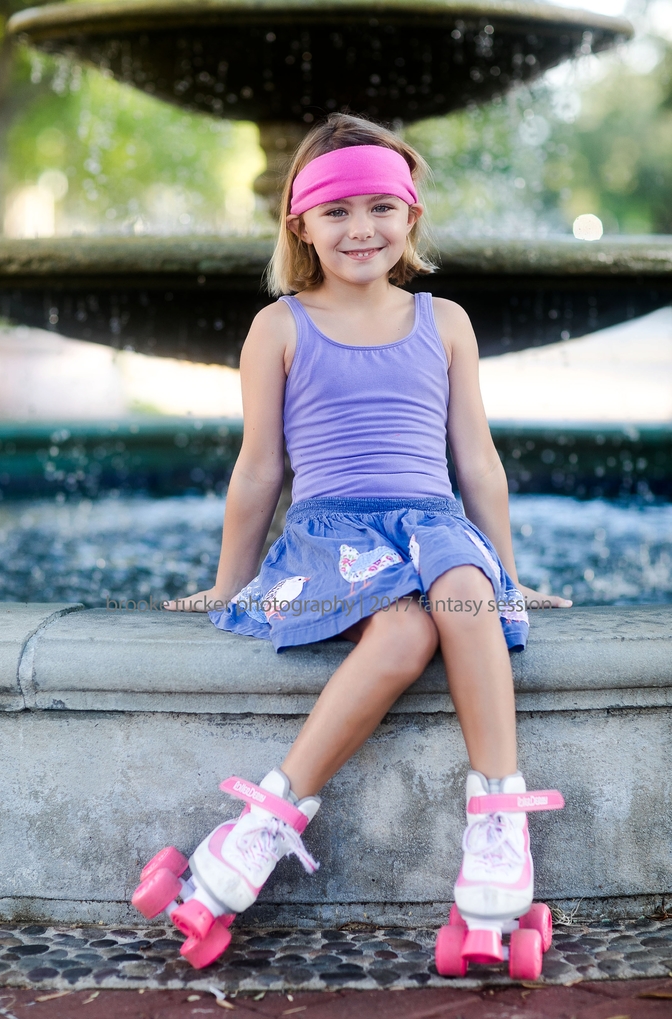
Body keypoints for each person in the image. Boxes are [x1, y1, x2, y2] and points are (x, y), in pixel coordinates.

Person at [160, 113, 571, 964]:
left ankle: (498, 822)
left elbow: (479, 463)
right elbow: (259, 472)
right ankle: (265, 822)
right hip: (332, 538)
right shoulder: (279, 327)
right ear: (300, 223)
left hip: (431, 525)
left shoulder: (443, 319)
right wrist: (229, 582)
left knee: (462, 584)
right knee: (404, 627)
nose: (361, 228)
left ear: (410, 216)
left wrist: (511, 578)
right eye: (338, 210)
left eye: (381, 206)